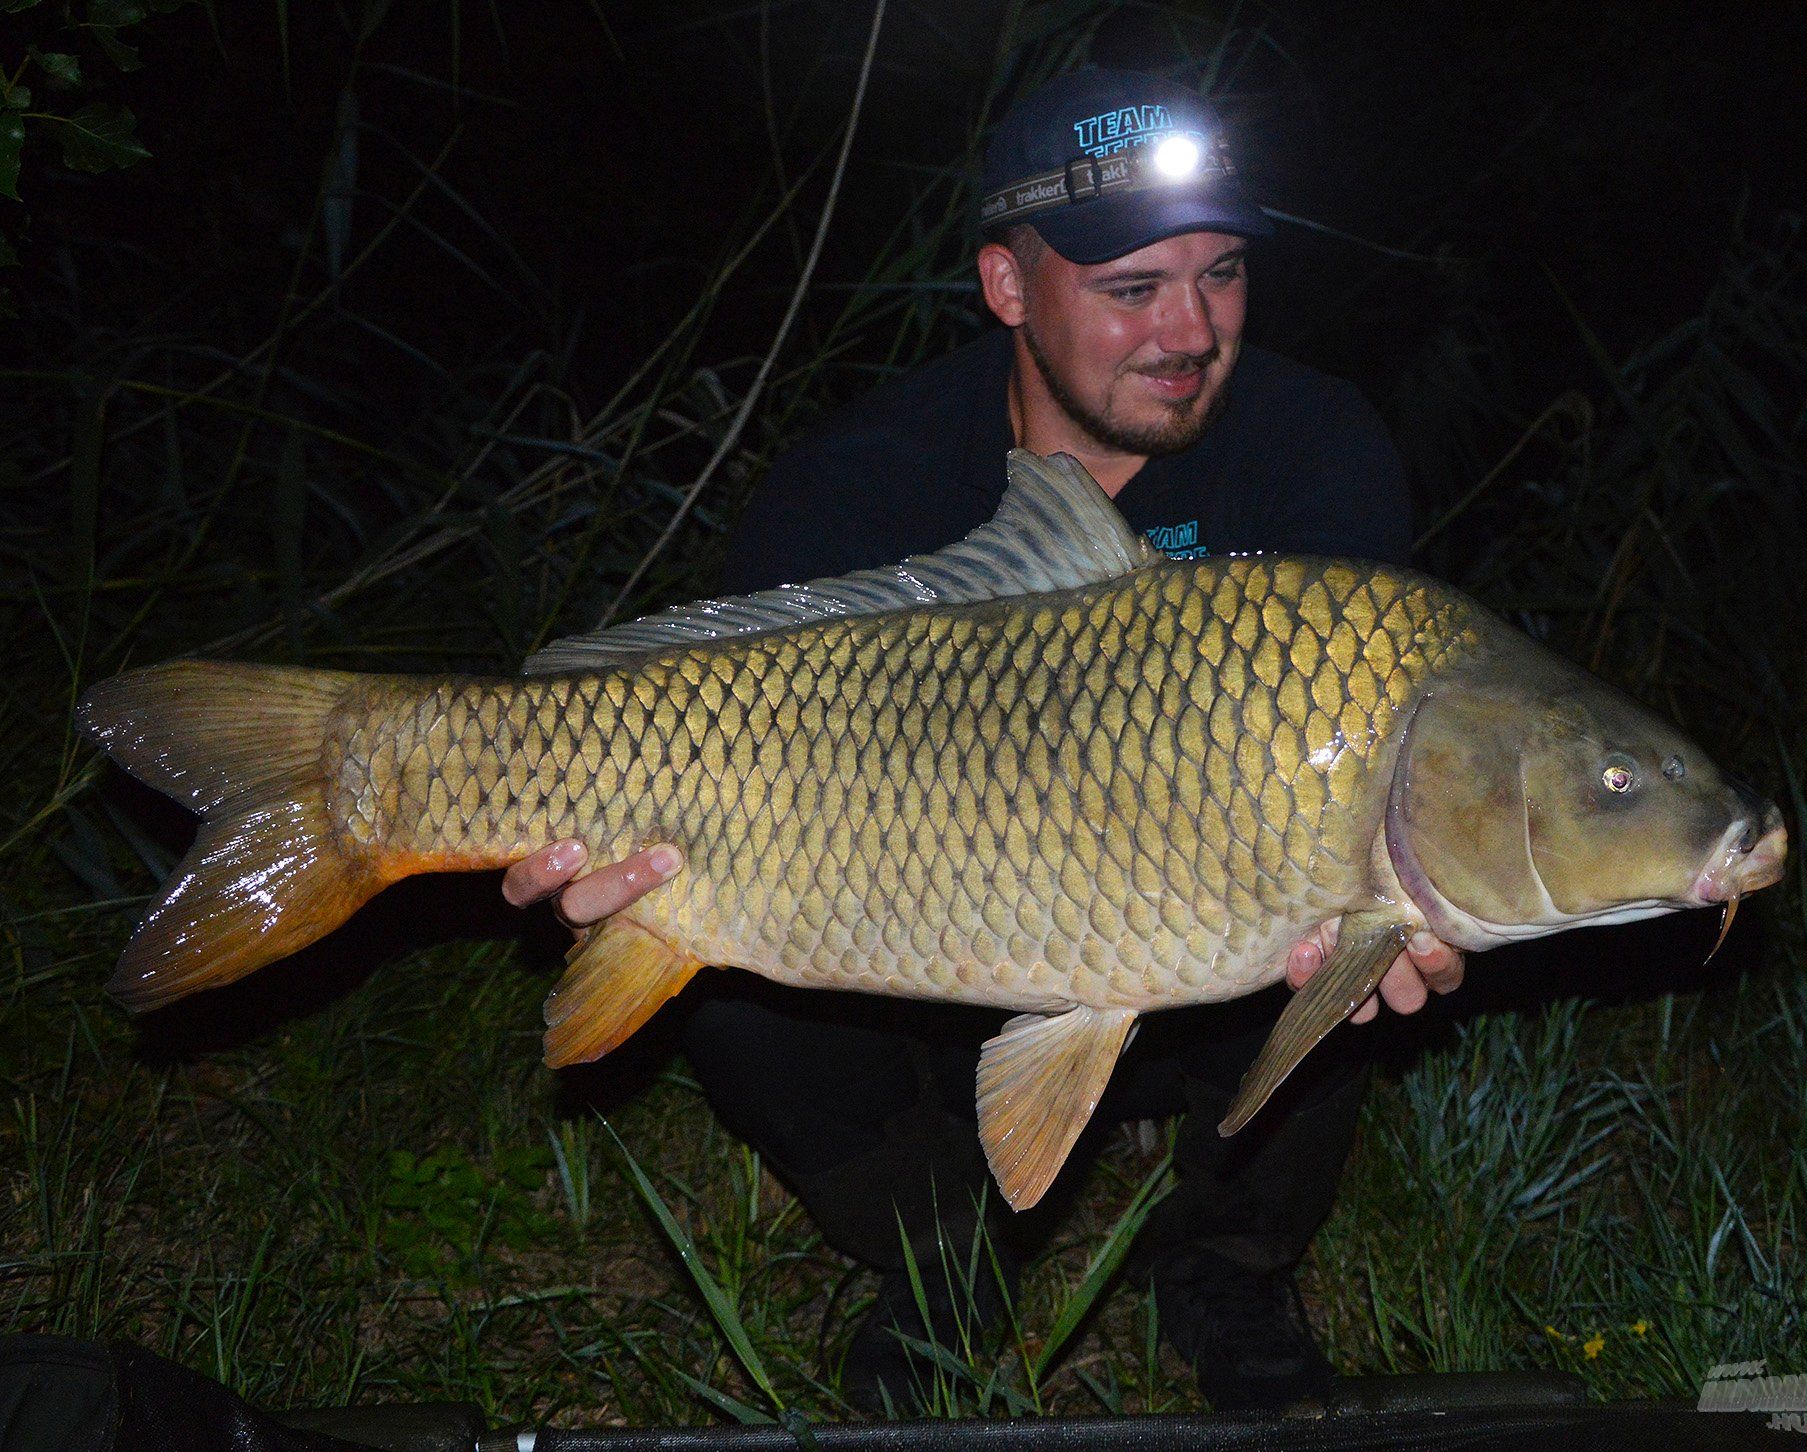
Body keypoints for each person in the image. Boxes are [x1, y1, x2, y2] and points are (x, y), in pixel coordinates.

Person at [504, 68, 1465, 1411]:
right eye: (1134, 289)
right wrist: (618, 864)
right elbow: (705, 715)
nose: (1192, 329)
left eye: (1225, 274)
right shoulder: (863, 481)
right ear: (1009, 286)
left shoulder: (1318, 449)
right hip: (918, 946)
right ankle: (941, 1259)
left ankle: (1230, 1263)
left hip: (1222, 933)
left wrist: (1402, 894)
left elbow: (1373, 744)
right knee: (719, 980)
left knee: (1356, 943)